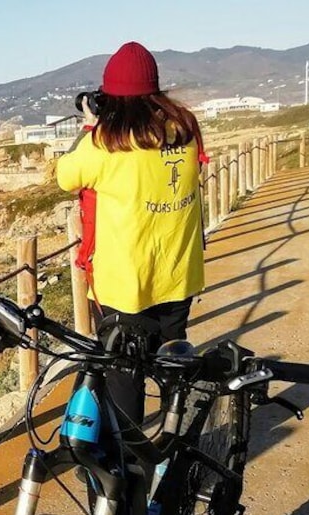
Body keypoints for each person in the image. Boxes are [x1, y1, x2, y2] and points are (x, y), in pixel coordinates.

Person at [56, 41, 205, 425]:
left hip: (125, 289)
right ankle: (174, 449)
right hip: (179, 276)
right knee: (173, 369)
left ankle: (130, 472)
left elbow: (65, 176)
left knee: (125, 386)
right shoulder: (184, 129)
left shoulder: (104, 142)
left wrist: (91, 125)